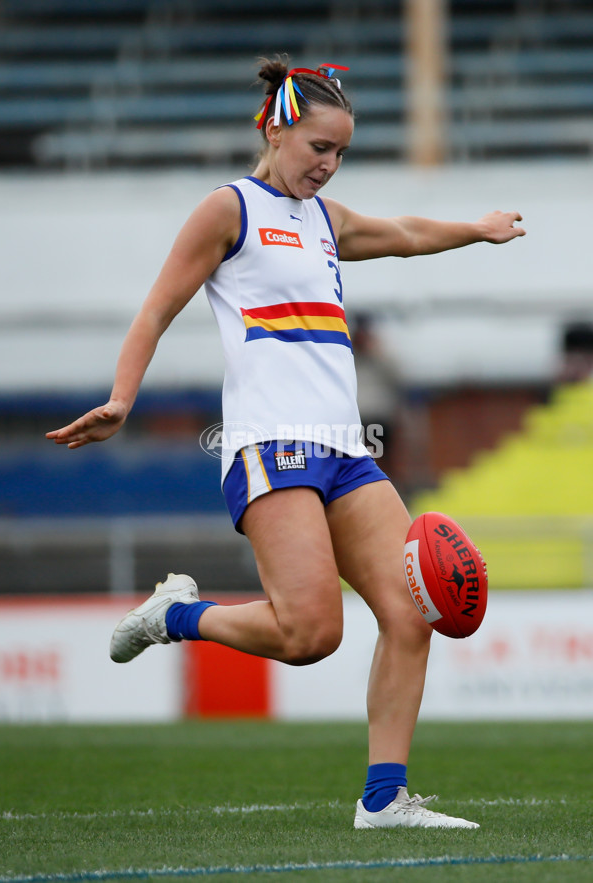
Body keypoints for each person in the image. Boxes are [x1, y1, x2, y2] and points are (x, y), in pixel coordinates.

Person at [46, 56, 525, 829]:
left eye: (340, 153)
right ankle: (176, 615)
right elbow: (155, 309)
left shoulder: (326, 220)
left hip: (347, 451)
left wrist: (477, 229)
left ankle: (384, 799)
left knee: (412, 613)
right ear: (277, 128)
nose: (328, 166)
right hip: (272, 444)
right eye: (318, 149)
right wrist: (121, 398)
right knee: (311, 635)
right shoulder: (227, 209)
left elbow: (401, 233)